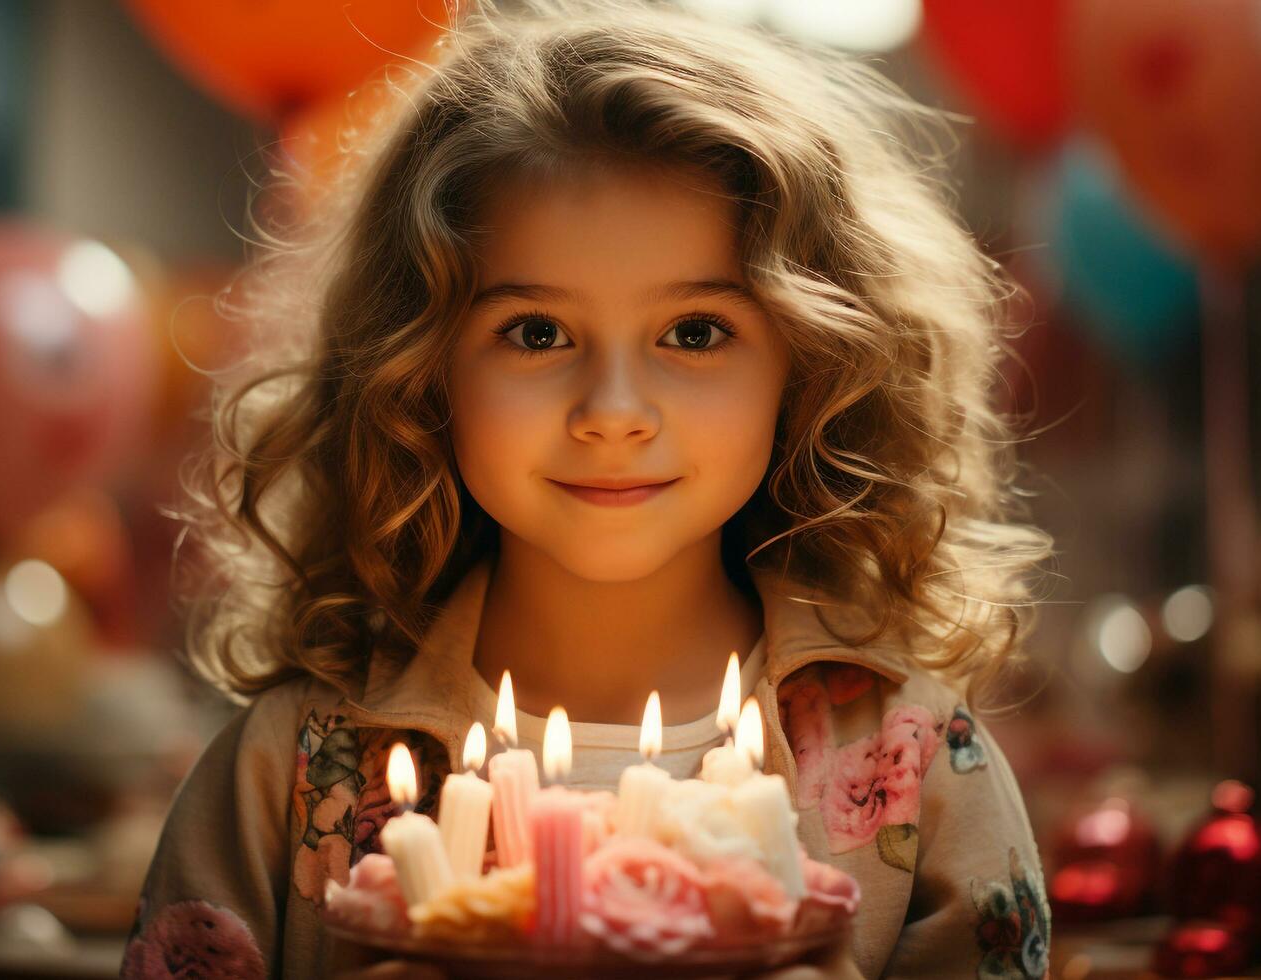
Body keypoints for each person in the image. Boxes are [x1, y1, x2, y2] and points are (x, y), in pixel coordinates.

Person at [123, 1, 1055, 977]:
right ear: (419, 368)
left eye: (693, 331)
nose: (613, 411)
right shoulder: (286, 769)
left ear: (811, 364)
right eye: (536, 332)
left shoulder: (920, 768)